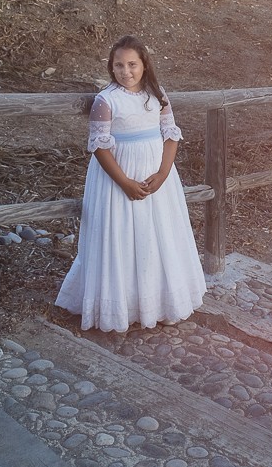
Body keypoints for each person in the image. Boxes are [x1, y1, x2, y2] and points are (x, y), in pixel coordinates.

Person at [55, 35, 207, 332]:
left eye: (132, 64)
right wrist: (124, 182)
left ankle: (158, 302)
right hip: (118, 177)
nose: (127, 71)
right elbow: (99, 145)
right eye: (119, 66)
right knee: (121, 233)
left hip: (156, 174)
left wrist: (163, 173)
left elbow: (170, 135)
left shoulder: (157, 95)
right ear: (111, 68)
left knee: (156, 233)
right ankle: (120, 306)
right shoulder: (106, 100)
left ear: (144, 64)